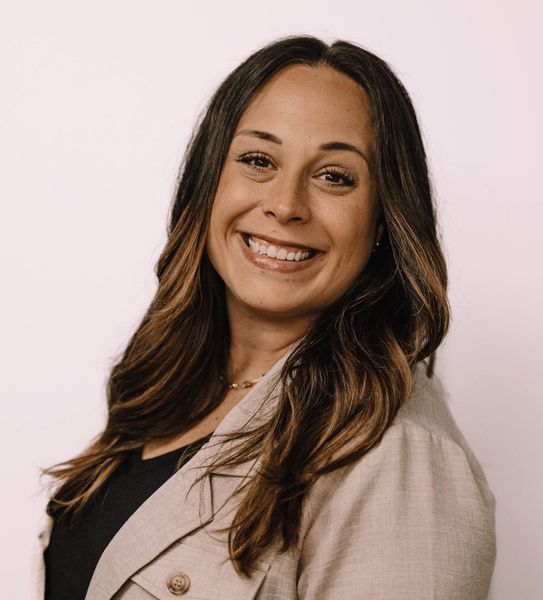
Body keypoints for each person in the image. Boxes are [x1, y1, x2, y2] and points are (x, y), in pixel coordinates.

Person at [35, 35, 496, 599]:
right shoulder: (165, 386)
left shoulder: (400, 457)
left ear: (382, 221)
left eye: (334, 176)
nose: (285, 204)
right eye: (258, 160)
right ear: (209, 184)